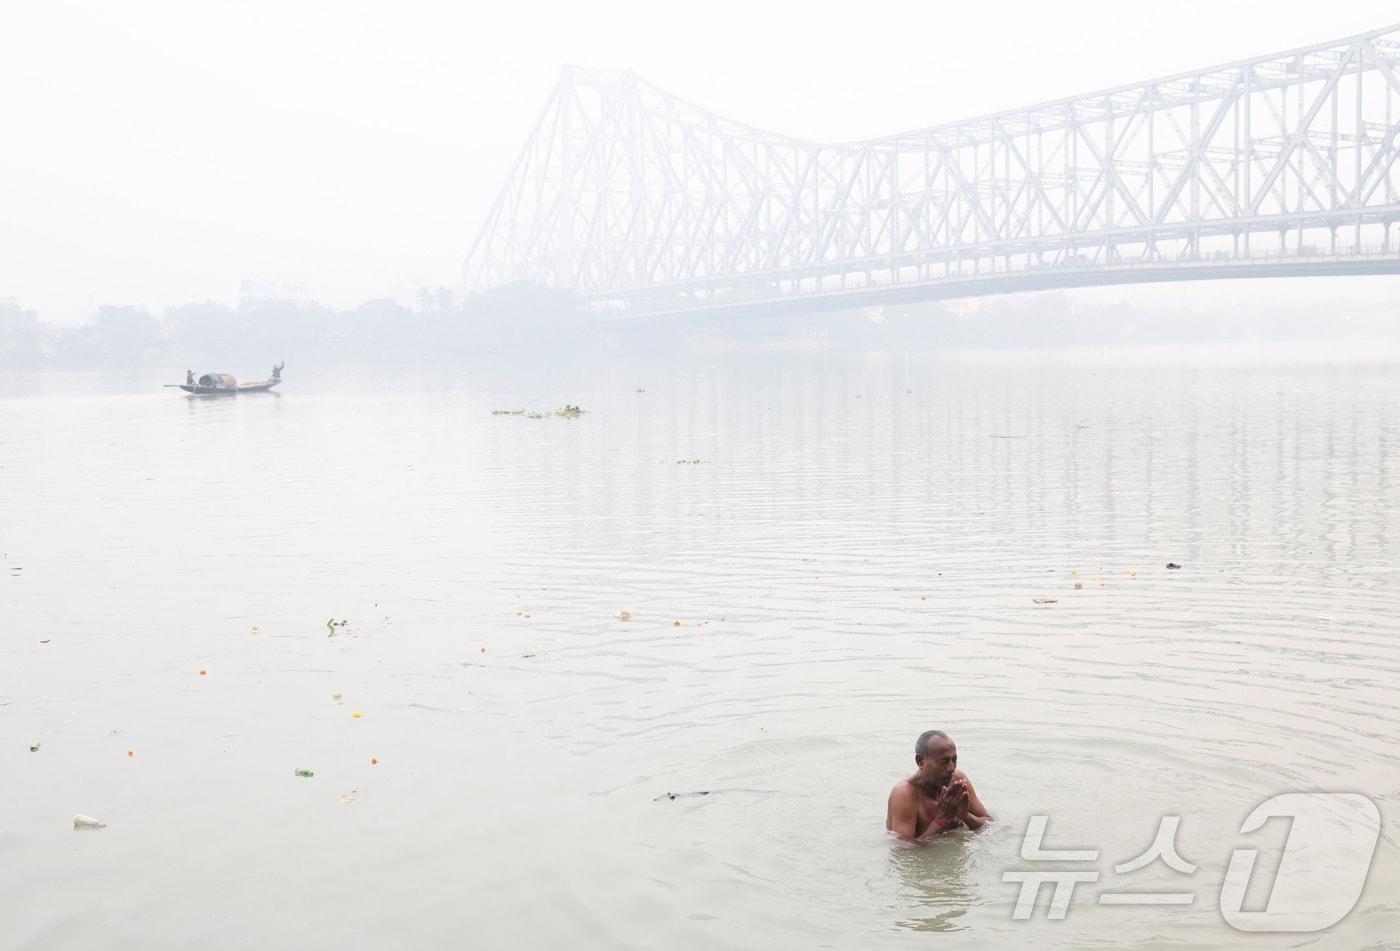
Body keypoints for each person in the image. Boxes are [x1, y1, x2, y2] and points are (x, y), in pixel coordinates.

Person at [886, 730, 990, 842]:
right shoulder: (905, 793)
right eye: (944, 761)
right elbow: (903, 849)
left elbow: (989, 823)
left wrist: (965, 816)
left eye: (954, 760)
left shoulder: (958, 781)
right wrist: (942, 819)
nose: (951, 768)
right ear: (920, 761)